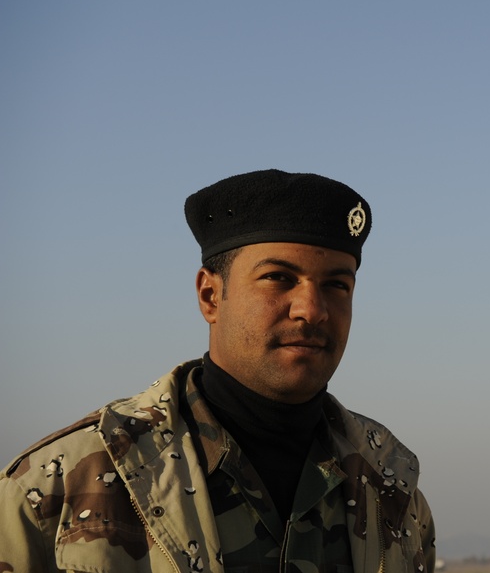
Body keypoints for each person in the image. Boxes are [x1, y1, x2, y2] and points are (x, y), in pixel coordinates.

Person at [0, 169, 435, 573]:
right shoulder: (56, 489)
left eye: (337, 285)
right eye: (279, 278)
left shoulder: (393, 497)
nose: (312, 310)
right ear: (210, 296)